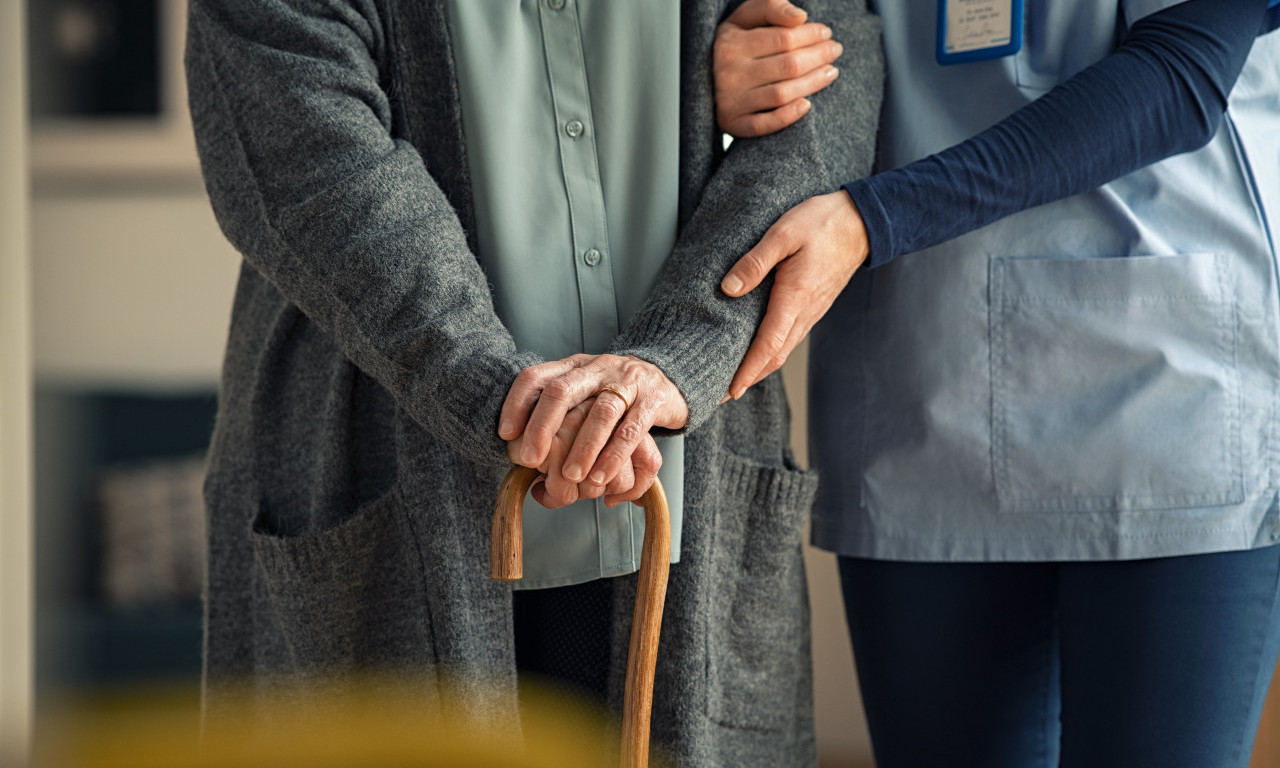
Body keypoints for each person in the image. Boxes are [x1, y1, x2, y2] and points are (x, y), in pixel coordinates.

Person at [185, 0, 880, 764]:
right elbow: (310, 162)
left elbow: (829, 87)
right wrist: (510, 399)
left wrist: (678, 357)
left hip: (689, 490)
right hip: (384, 470)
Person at [695, 0, 1280, 766]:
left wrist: (876, 219)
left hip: (1166, 398)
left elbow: (1182, 73)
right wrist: (725, 78)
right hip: (919, 386)